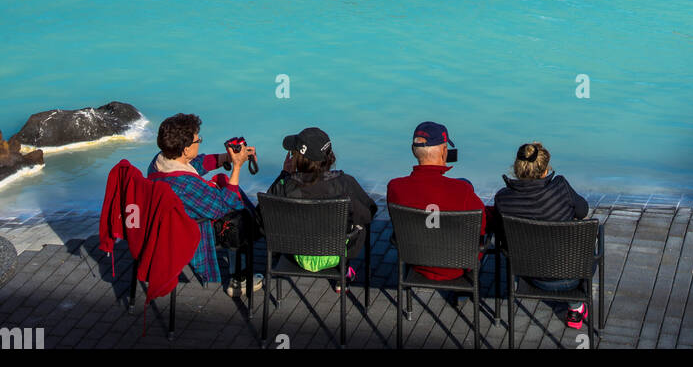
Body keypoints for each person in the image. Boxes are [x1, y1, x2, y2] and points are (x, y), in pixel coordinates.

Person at [148, 113, 261, 291]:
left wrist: (226, 158)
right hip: (192, 231)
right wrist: (237, 167)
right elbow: (224, 205)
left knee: (230, 196)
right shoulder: (185, 185)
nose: (199, 141)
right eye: (197, 140)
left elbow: (195, 165)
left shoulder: (159, 162)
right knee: (239, 217)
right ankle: (239, 279)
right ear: (185, 149)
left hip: (170, 223)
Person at [492, 142, 590, 330]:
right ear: (545, 170)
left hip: (528, 275)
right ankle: (575, 307)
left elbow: (499, 233)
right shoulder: (560, 187)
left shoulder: (503, 198)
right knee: (585, 236)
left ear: (516, 168)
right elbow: (583, 210)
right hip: (570, 275)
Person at [264, 127, 377, 281]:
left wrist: (285, 175)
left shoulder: (285, 186)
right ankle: (343, 273)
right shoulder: (345, 183)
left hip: (298, 253)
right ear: (330, 156)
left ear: (298, 158)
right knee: (357, 220)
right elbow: (369, 212)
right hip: (336, 254)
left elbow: (263, 219)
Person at [387, 123, 488, 282]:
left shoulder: (395, 187)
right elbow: (482, 225)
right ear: (443, 150)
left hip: (416, 261)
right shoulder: (462, 190)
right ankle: (463, 293)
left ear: (414, 151)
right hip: (456, 266)